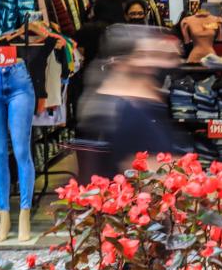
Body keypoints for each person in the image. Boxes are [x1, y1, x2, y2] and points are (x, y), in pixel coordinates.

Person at [77, 25, 184, 176]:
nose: (151, 63)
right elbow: (151, 175)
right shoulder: (126, 111)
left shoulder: (106, 100)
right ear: (119, 62)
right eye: (142, 55)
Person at [70, 0, 124, 134]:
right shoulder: (124, 31)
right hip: (120, 84)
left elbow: (78, 58)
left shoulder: (88, 29)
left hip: (93, 82)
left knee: (90, 129)